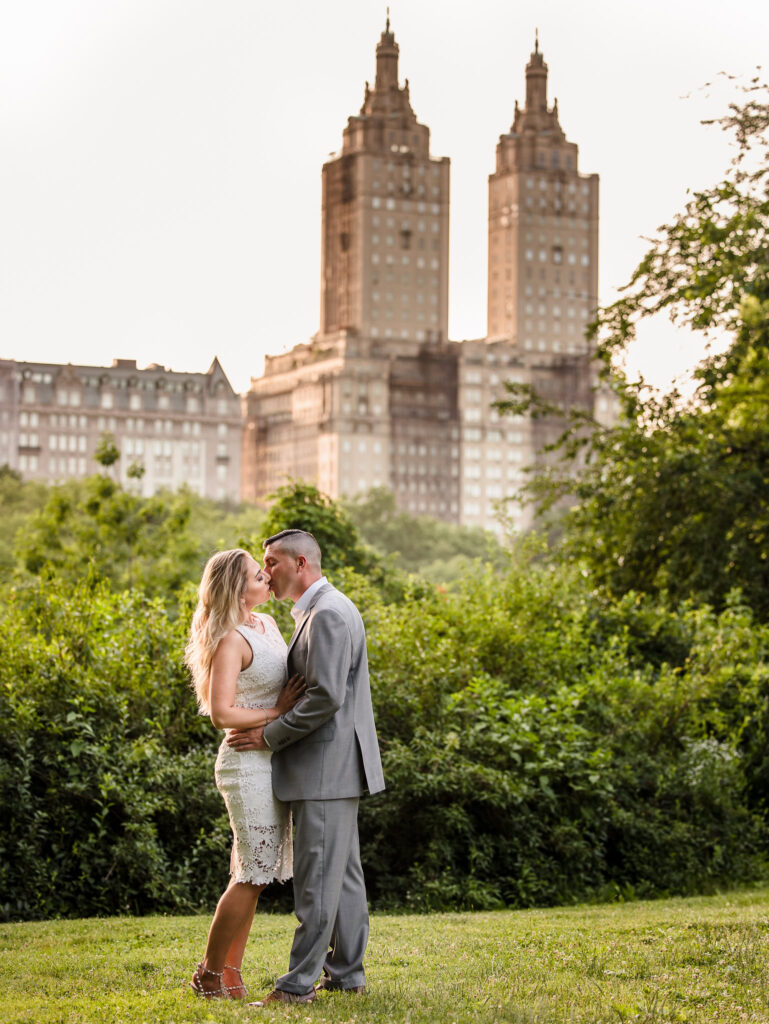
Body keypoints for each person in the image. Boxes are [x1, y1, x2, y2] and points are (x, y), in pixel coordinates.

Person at [226, 528, 385, 1006]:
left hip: (324, 768)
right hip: (333, 767)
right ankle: (346, 975)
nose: (265, 571)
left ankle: (296, 988)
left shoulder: (329, 613)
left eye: (271, 562)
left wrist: (269, 735)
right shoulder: (322, 609)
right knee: (343, 875)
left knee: (317, 880)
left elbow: (326, 697)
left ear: (300, 564)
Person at [184, 548, 305, 1000]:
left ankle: (231, 972)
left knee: (257, 872)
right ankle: (209, 976)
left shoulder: (268, 625)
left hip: (270, 758)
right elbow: (220, 712)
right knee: (252, 873)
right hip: (243, 764)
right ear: (238, 589)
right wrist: (277, 712)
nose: (268, 579)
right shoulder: (231, 638)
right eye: (259, 575)